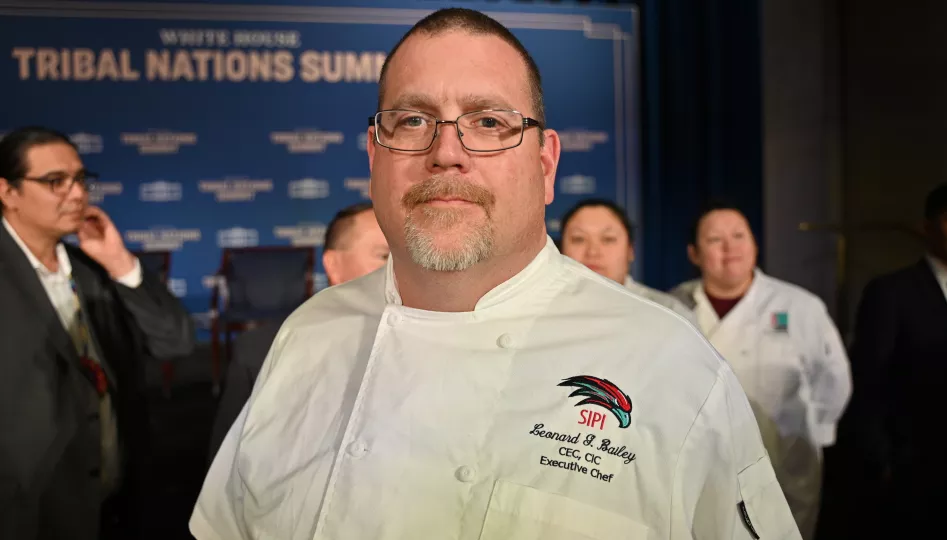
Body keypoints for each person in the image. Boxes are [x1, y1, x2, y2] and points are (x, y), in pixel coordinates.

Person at [191, 9, 799, 539]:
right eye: (411, 121)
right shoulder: (308, 335)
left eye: (488, 122)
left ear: (545, 163)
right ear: (374, 158)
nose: (446, 151)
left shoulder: (670, 367)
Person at [0, 126, 194, 540]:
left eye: (81, 180)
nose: (75, 194)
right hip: (27, 509)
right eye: (55, 182)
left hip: (113, 501)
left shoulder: (93, 267)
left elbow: (175, 340)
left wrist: (121, 262)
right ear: (8, 192)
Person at [671, 200, 851, 540]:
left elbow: (833, 380)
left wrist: (816, 432)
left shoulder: (800, 307)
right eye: (714, 240)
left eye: (739, 235)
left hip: (785, 462)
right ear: (694, 253)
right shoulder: (673, 306)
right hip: (700, 464)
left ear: (755, 244)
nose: (730, 248)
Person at [206, 202, 388, 462]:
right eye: (384, 256)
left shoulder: (448, 346)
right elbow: (227, 466)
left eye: (409, 254)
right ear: (334, 265)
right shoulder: (261, 353)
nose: (401, 267)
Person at [830, 182, 947, 537]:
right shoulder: (892, 292)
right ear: (928, 227)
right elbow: (868, 381)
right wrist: (881, 459)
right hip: (917, 467)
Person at [559, 198, 698, 325]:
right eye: (578, 239)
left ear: (630, 250)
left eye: (608, 239)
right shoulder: (542, 308)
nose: (593, 252)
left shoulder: (670, 313)